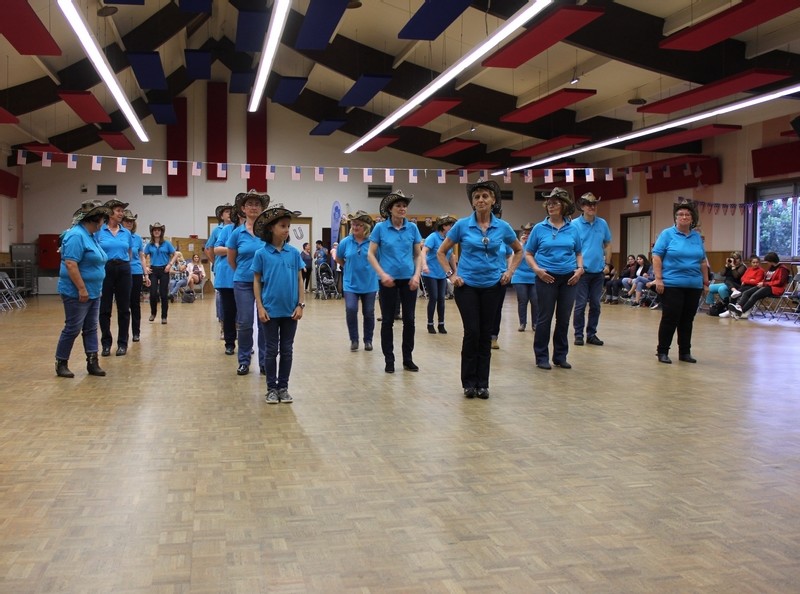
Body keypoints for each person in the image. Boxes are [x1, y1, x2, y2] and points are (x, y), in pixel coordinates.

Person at [437, 179, 522, 398]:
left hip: (493, 286)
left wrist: (510, 272)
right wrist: (451, 275)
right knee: (472, 332)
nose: (481, 200)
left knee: (485, 335)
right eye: (477, 197)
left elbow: (519, 250)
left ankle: (483, 383)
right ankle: (468, 382)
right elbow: (441, 252)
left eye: (485, 196)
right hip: (466, 286)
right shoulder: (462, 225)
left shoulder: (502, 227)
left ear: (493, 200)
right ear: (473, 202)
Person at [252, 204, 305, 404]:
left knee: (287, 349)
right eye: (283, 226)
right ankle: (271, 389)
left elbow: (300, 279)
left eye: (288, 226)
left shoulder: (294, 253)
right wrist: (260, 306)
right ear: (271, 228)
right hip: (270, 311)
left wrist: (300, 304)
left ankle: (283, 387)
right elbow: (256, 281)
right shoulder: (261, 254)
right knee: (271, 349)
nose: (287, 230)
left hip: (291, 311)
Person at [526, 187, 583, 370]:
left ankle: (560, 356)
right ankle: (541, 356)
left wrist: (580, 269)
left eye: (555, 203)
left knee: (564, 318)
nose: (551, 206)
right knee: (545, 317)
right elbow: (528, 253)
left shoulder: (573, 228)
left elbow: (578, 252)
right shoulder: (539, 228)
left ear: (564, 206)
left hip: (569, 279)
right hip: (546, 277)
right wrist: (537, 270)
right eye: (549, 203)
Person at [368, 190, 423, 374]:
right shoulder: (380, 228)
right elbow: (370, 254)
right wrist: (382, 274)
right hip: (387, 281)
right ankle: (389, 360)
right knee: (387, 321)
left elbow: (418, 255)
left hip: (409, 280)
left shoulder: (412, 228)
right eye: (398, 206)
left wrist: (416, 275)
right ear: (390, 209)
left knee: (409, 320)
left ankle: (408, 358)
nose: (402, 209)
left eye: (404, 206)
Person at [55, 200, 110, 378]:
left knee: (91, 328)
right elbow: (71, 264)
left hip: (94, 290)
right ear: (95, 219)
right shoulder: (76, 236)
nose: (104, 222)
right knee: (73, 328)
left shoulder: (90, 235)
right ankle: (61, 363)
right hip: (77, 292)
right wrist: (82, 289)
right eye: (103, 219)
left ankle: (92, 362)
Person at [652, 200, 708, 364]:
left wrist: (705, 282)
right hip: (672, 284)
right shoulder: (667, 234)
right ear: (675, 218)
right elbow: (656, 256)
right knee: (670, 318)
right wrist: (658, 279)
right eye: (681, 214)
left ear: (692, 218)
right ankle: (662, 351)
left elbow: (702, 261)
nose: (684, 217)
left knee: (687, 320)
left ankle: (685, 352)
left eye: (687, 215)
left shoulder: (696, 237)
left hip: (694, 285)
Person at [227, 190, 270, 375]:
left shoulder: (267, 232)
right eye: (250, 204)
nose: (253, 207)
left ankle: (265, 362)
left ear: (262, 208)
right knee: (245, 322)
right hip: (243, 283)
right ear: (243, 209)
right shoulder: (237, 233)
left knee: (264, 322)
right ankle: (244, 360)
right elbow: (231, 260)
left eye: (257, 204)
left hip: (265, 283)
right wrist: (245, 273)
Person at [572, 192, 611, 346]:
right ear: (582, 206)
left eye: (594, 204)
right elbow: (571, 247)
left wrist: (607, 264)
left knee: (596, 304)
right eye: (588, 204)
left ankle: (591, 334)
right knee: (580, 304)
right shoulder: (574, 224)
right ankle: (578, 334)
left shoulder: (602, 223)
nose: (592, 207)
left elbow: (607, 244)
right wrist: (576, 267)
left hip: (598, 272)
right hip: (581, 272)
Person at [336, 211, 379, 352]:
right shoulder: (345, 242)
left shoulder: (373, 242)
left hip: (370, 284)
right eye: (353, 224)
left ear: (366, 227)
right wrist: (347, 268)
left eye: (358, 225)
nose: (355, 227)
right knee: (351, 309)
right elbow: (338, 258)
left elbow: (379, 259)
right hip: (350, 284)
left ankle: (368, 340)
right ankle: (354, 340)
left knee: (369, 312)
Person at [96, 199, 134, 357]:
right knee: (104, 308)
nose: (121, 213)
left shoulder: (126, 233)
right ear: (110, 213)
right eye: (118, 210)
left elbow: (129, 253)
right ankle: (106, 344)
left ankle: (122, 344)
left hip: (123, 269)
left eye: (122, 211)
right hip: (106, 269)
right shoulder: (100, 231)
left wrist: (122, 262)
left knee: (124, 308)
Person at [421, 214, 457, 335]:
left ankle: (441, 324)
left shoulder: (449, 239)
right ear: (443, 226)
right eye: (450, 225)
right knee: (434, 298)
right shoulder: (433, 237)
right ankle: (430, 324)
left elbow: (451, 256)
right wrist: (424, 265)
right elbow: (424, 251)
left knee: (442, 299)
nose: (452, 227)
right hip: (430, 273)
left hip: (442, 274)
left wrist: (455, 271)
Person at [725, 252, 790, 319]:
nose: (767, 263)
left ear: (771, 261)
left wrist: (764, 284)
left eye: (767, 261)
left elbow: (780, 282)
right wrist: (762, 283)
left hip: (775, 288)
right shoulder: (771, 267)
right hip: (766, 286)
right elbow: (767, 279)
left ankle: (741, 311)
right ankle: (738, 307)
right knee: (746, 293)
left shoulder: (783, 269)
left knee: (754, 295)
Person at [213, 204, 239, 355]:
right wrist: (234, 250)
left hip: (246, 276)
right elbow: (216, 249)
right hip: (227, 276)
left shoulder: (254, 230)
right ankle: (230, 343)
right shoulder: (226, 229)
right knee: (229, 312)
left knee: (245, 314)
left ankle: (246, 343)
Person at [205, 203, 233, 338]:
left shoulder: (238, 228)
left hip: (235, 268)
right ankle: (223, 325)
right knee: (221, 297)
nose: (229, 214)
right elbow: (209, 248)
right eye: (227, 212)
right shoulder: (217, 230)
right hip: (222, 268)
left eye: (231, 211)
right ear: (221, 216)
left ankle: (235, 325)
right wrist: (215, 262)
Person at [121, 210, 149, 343]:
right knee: (123, 305)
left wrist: (146, 274)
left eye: (131, 221)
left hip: (136, 272)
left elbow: (142, 257)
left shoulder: (137, 238)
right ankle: (123, 334)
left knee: (135, 303)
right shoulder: (118, 236)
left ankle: (136, 332)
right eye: (127, 221)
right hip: (121, 273)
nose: (129, 223)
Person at [143, 222, 177, 324]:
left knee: (163, 294)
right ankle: (153, 313)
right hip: (153, 270)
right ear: (152, 232)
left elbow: (175, 254)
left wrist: (170, 264)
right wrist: (146, 268)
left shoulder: (167, 243)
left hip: (164, 270)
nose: (157, 232)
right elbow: (143, 256)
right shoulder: (149, 245)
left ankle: (164, 316)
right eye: (155, 230)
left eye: (158, 230)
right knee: (153, 293)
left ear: (161, 232)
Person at [512, 222, 537, 332]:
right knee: (522, 300)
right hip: (520, 276)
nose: (526, 235)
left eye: (529, 233)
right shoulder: (519, 245)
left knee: (535, 300)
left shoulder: (538, 245)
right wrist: (521, 245)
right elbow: (516, 259)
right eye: (525, 233)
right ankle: (522, 323)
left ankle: (535, 323)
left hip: (535, 276)